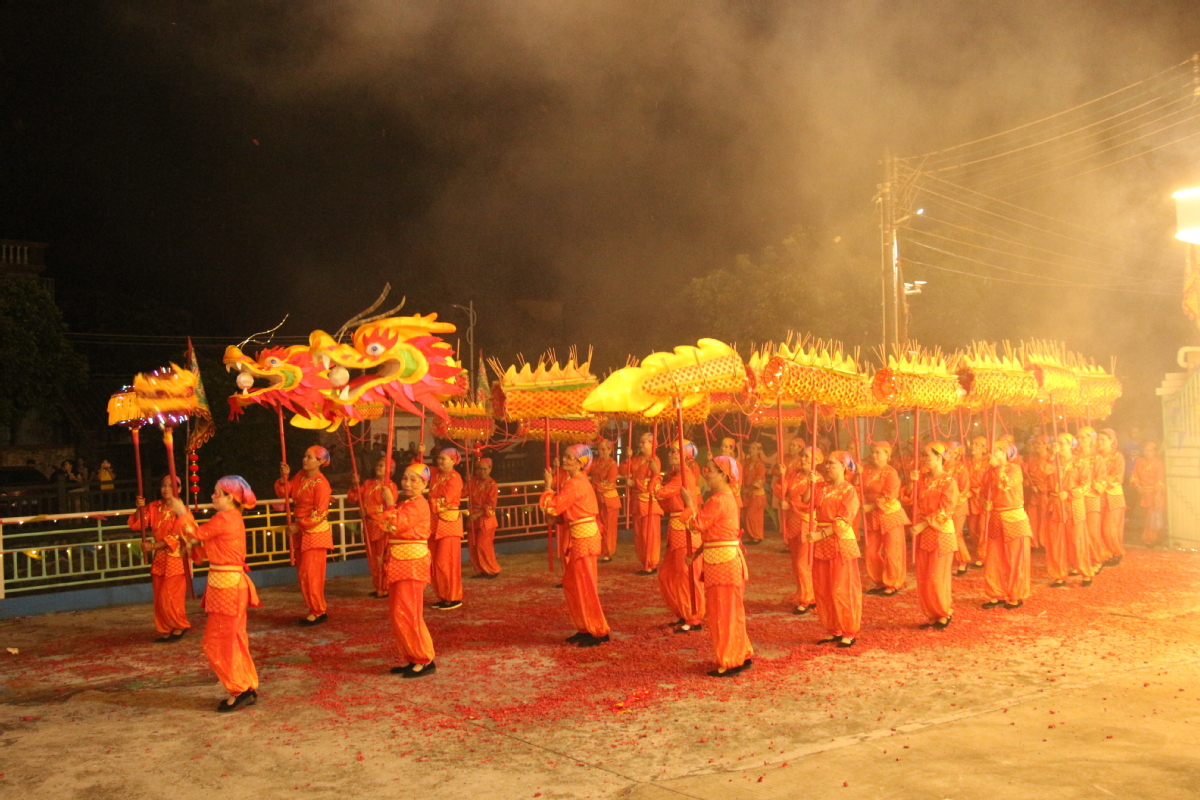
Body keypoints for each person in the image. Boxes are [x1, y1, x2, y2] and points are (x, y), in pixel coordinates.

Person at [173, 476, 261, 712]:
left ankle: (239, 688)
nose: (213, 496)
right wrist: (193, 548)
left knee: (216, 642)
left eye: (217, 492)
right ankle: (245, 685)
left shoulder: (224, 518)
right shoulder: (232, 518)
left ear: (230, 497)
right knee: (233, 638)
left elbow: (193, 534)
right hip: (229, 586)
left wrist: (182, 513)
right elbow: (207, 545)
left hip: (228, 588)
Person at [681, 455, 752, 677]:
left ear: (724, 474)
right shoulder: (725, 497)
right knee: (732, 611)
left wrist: (689, 504)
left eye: (711, 469)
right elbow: (717, 533)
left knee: (723, 612)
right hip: (723, 558)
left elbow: (697, 525)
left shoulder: (719, 499)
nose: (706, 472)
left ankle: (730, 659)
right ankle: (741, 653)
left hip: (723, 563)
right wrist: (698, 553)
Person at [541, 443, 611, 647]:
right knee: (574, 584)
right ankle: (585, 627)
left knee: (584, 585)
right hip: (579, 535)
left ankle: (597, 630)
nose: (564, 460)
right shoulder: (575, 481)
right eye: (564, 456)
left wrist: (547, 487)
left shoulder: (576, 483)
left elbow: (553, 506)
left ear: (581, 462)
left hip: (584, 538)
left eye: (569, 457)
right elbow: (566, 510)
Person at [383, 462, 437, 677]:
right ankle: (412, 655)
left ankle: (424, 659)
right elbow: (387, 526)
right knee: (399, 611)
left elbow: (396, 525)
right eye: (405, 478)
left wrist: (389, 504)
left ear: (425, 484)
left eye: (414, 480)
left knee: (410, 612)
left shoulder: (418, 505)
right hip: (400, 560)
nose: (408, 483)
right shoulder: (407, 504)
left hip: (412, 562)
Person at [277, 445, 333, 625]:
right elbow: (286, 492)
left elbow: (320, 514)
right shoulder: (300, 476)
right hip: (301, 530)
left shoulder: (321, 484)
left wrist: (299, 526)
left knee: (311, 574)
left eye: (310, 457)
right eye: (305, 456)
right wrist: (284, 477)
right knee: (303, 574)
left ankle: (318, 610)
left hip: (314, 533)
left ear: (321, 462)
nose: (305, 460)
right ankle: (315, 608)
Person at [811, 451, 862, 648]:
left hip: (839, 541)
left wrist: (819, 535)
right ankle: (833, 629)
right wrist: (810, 483)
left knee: (842, 588)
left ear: (844, 467)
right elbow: (808, 503)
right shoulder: (821, 487)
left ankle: (849, 630)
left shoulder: (849, 490)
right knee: (823, 588)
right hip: (822, 541)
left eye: (832, 464)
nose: (827, 467)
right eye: (826, 463)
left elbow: (843, 520)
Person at [130, 475, 190, 642]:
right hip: (160, 559)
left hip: (177, 557)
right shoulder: (154, 506)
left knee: (170, 595)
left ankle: (179, 625)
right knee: (159, 596)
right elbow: (137, 524)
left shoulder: (182, 511)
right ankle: (165, 628)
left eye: (171, 486)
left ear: (179, 489)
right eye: (164, 485)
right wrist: (139, 509)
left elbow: (178, 535)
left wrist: (153, 546)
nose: (166, 489)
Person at [907, 443, 958, 630]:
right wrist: (912, 483)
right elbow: (909, 499)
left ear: (939, 457)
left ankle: (944, 612)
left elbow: (946, 511)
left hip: (940, 532)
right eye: (924, 454)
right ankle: (932, 613)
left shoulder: (949, 481)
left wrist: (921, 525)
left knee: (938, 576)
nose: (924, 458)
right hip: (924, 533)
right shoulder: (923, 479)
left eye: (928, 455)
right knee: (925, 576)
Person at [656, 440, 704, 632]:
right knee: (667, 575)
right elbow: (665, 502)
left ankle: (693, 618)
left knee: (686, 575)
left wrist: (654, 474)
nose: (671, 455)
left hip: (685, 530)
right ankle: (683, 611)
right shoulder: (675, 475)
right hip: (675, 529)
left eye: (676, 452)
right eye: (671, 451)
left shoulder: (684, 475)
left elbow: (660, 493)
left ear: (686, 455)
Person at [980, 441, 1033, 610]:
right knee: (994, 557)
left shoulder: (1014, 469)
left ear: (1007, 454)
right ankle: (996, 593)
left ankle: (1016, 595)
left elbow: (1004, 485)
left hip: (1014, 518)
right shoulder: (990, 470)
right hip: (996, 517)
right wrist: (985, 503)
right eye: (993, 452)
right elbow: (983, 492)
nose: (993, 456)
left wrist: (997, 468)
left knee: (1016, 558)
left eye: (998, 452)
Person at [775, 439, 820, 615]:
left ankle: (807, 598)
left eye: (808, 457)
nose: (803, 459)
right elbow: (782, 492)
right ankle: (805, 593)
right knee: (796, 562)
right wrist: (783, 475)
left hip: (807, 523)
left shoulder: (817, 478)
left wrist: (791, 504)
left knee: (803, 563)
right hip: (793, 522)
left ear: (817, 460)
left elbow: (810, 503)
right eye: (803, 456)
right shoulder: (793, 473)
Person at [861, 441, 908, 596]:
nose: (874, 455)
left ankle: (892, 583)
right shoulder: (866, 470)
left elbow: (890, 496)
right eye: (873, 452)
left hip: (889, 515)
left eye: (878, 452)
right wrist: (857, 475)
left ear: (887, 455)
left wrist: (871, 506)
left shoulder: (890, 473)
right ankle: (880, 581)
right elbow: (857, 488)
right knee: (870, 551)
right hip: (872, 516)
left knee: (891, 551)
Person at [348, 457, 398, 598]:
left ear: (390, 470)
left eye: (382, 465)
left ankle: (386, 586)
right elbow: (353, 498)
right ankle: (378, 586)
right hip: (369, 526)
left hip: (382, 526)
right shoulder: (368, 483)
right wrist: (354, 485)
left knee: (382, 557)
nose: (378, 467)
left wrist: (368, 511)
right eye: (378, 464)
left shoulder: (390, 486)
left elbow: (388, 506)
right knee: (372, 558)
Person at [429, 447, 465, 610]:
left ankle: (453, 596)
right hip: (435, 522)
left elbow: (447, 500)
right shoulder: (436, 474)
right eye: (439, 458)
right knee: (436, 561)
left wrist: (426, 504)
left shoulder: (454, 477)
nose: (440, 461)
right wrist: (419, 453)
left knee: (447, 561)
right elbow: (418, 470)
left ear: (453, 461)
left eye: (444, 458)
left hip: (448, 523)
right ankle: (443, 596)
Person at [1075, 427, 1110, 570]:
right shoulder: (1074, 457)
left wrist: (1086, 489)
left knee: (1092, 531)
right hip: (1076, 499)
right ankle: (1080, 562)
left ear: (1091, 439)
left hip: (1090, 498)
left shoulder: (1097, 458)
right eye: (1079, 437)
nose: (1081, 440)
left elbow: (1102, 480)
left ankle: (1096, 561)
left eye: (1084, 437)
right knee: (1077, 532)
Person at [629, 432, 662, 576]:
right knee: (639, 534)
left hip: (648, 500)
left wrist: (634, 483)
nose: (641, 444)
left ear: (652, 444)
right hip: (637, 501)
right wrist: (628, 458)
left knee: (649, 534)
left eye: (644, 442)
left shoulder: (654, 460)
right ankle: (644, 562)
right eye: (640, 442)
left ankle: (651, 563)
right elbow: (626, 471)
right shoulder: (637, 459)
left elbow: (652, 483)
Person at [1095, 429, 1127, 566]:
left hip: (1113, 496)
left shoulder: (1117, 456)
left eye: (1103, 440)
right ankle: (1105, 554)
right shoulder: (1095, 456)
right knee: (1099, 527)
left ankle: (1117, 552)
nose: (1100, 442)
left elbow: (1117, 478)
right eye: (1099, 439)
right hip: (1098, 496)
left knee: (1110, 527)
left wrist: (1100, 480)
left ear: (1111, 441)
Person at [467, 457, 501, 578]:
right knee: (473, 544)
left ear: (490, 469)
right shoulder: (473, 481)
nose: (482, 472)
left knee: (483, 545)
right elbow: (463, 493)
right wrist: (466, 482)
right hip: (473, 517)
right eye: (480, 469)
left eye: (485, 469)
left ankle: (492, 569)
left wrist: (477, 514)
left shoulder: (492, 485)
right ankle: (480, 570)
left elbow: (491, 505)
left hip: (486, 518)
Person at [589, 438, 621, 562]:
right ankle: (599, 550)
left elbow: (611, 483)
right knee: (599, 526)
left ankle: (608, 552)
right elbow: (587, 470)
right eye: (599, 449)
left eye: (603, 449)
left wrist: (595, 487)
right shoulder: (596, 462)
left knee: (609, 528)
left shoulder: (612, 464)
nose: (601, 452)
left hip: (609, 500)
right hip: (597, 499)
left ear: (609, 450)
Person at [1131, 441, 1166, 546]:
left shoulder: (1159, 463)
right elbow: (1134, 475)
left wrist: (1156, 494)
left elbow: (1160, 480)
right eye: (1146, 450)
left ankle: (1152, 539)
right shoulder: (1139, 461)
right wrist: (1138, 486)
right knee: (1144, 517)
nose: (1148, 452)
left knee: (1153, 517)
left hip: (1155, 494)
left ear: (1155, 452)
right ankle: (1145, 538)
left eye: (1151, 450)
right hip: (1142, 493)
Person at [945, 442, 972, 576]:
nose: (947, 454)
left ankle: (962, 561)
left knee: (956, 533)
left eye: (950, 452)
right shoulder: (941, 467)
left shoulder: (961, 468)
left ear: (957, 454)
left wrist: (954, 502)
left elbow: (965, 488)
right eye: (946, 451)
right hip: (943, 506)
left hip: (958, 505)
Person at [965, 436, 990, 567]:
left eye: (977, 445)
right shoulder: (966, 462)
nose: (973, 446)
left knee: (983, 528)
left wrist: (974, 492)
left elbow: (989, 484)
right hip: (969, 500)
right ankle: (978, 552)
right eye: (972, 443)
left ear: (984, 448)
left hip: (982, 499)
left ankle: (983, 556)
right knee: (973, 528)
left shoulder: (988, 463)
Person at [741, 441, 768, 544]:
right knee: (746, 515)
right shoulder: (745, 462)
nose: (751, 450)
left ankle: (757, 536)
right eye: (750, 448)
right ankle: (751, 536)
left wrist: (747, 490)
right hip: (747, 493)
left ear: (758, 451)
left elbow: (759, 481)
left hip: (756, 494)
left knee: (753, 516)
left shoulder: (760, 464)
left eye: (753, 449)